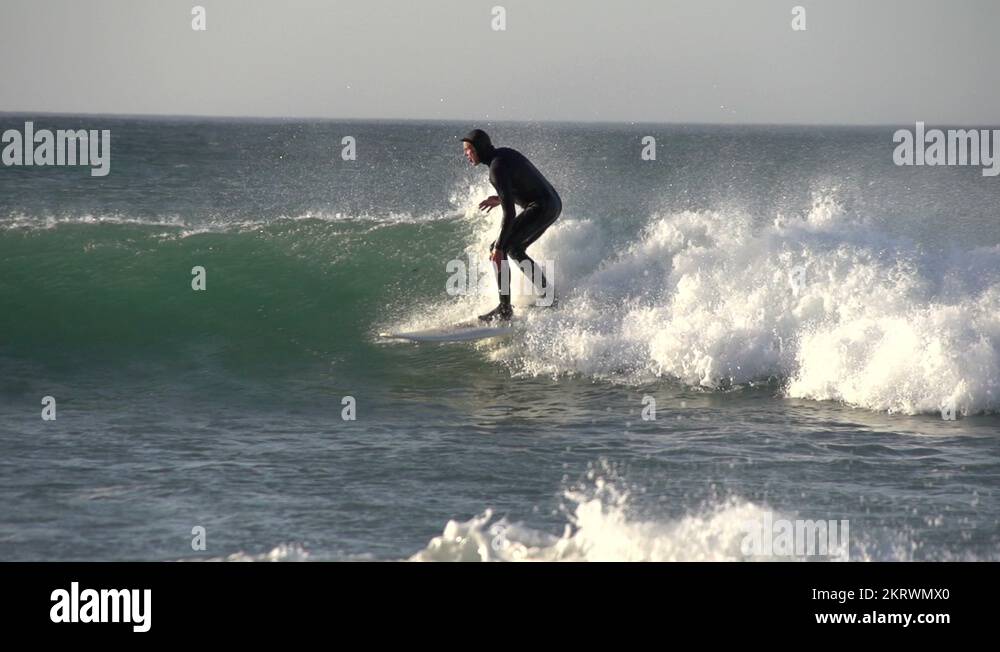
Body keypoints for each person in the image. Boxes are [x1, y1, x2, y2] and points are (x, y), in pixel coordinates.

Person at [462, 129, 562, 322]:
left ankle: (505, 309)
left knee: (499, 248)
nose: (465, 154)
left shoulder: (495, 169)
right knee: (515, 249)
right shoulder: (503, 155)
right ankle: (549, 296)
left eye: (468, 150)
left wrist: (499, 248)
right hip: (553, 204)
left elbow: (510, 214)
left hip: (540, 207)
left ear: (479, 149)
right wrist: (500, 197)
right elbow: (521, 181)